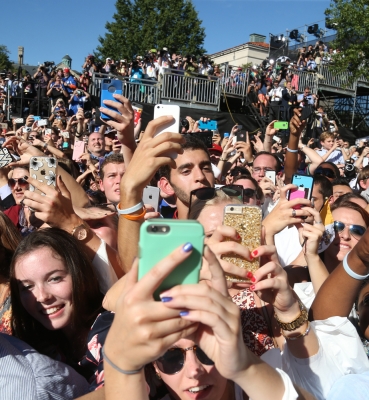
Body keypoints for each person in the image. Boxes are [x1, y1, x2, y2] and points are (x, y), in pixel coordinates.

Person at [10, 228, 104, 376]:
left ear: (81, 275)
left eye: (54, 279)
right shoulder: (33, 348)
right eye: (28, 287)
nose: (42, 297)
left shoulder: (112, 330)